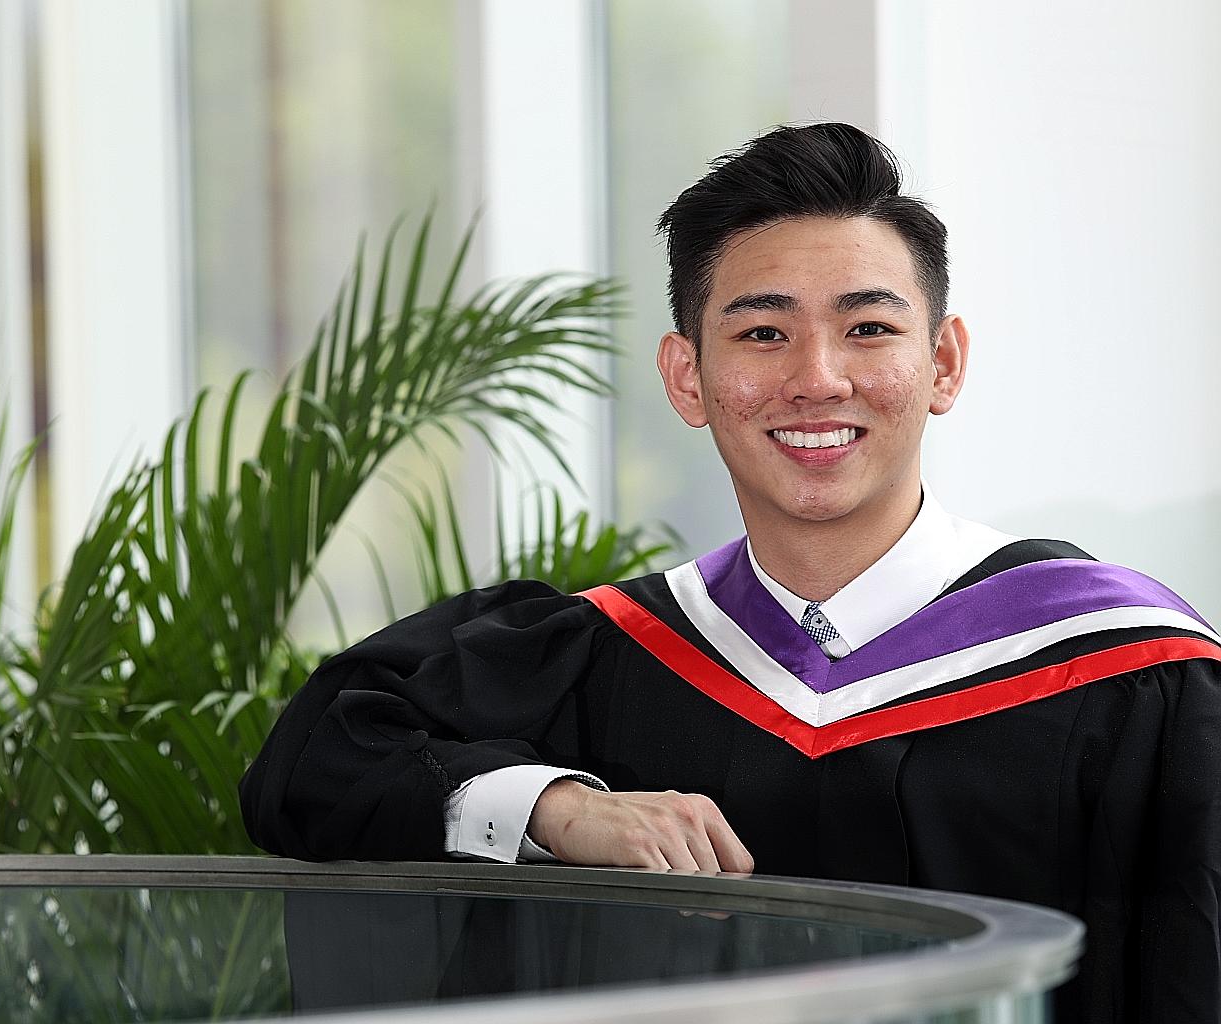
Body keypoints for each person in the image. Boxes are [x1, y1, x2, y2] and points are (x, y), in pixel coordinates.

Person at [239, 122, 1221, 1022]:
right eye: (762, 332)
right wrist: (559, 808)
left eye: (868, 328)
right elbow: (313, 760)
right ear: (686, 377)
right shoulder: (610, 652)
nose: (817, 377)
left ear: (945, 362)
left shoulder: (1128, 669)